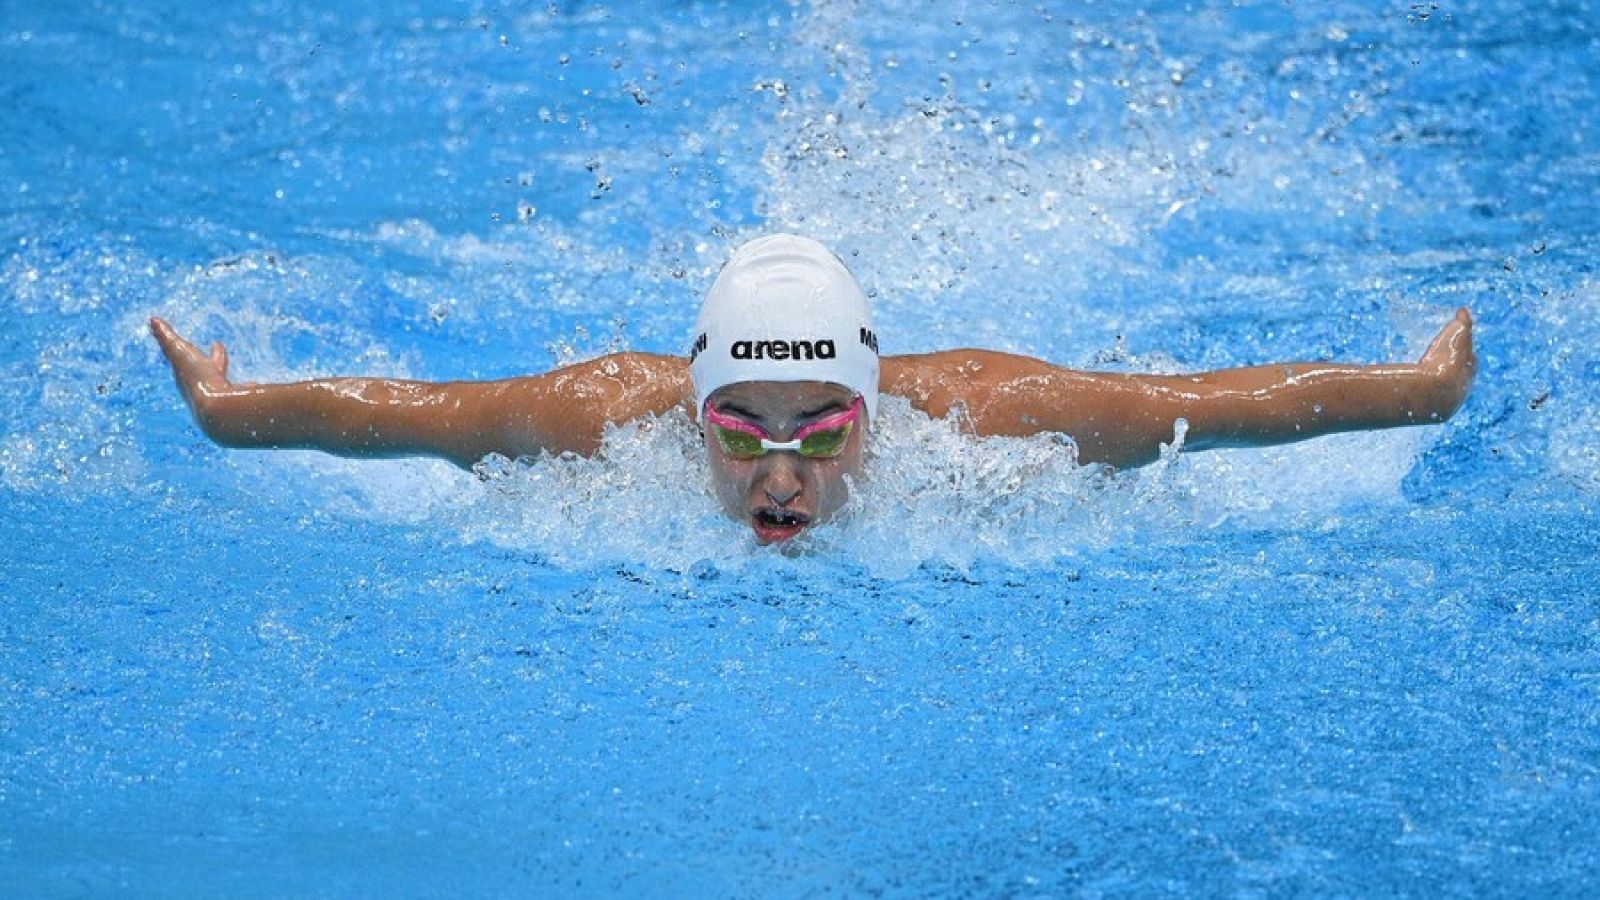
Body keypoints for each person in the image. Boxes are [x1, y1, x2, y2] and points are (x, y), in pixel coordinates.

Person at [152, 234, 1477, 544]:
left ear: (872, 408)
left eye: (821, 429)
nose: (778, 476)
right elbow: (400, 415)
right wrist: (230, 407)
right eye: (740, 431)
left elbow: (1219, 401)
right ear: (693, 405)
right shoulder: (608, 417)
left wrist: (1413, 393)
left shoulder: (979, 416)